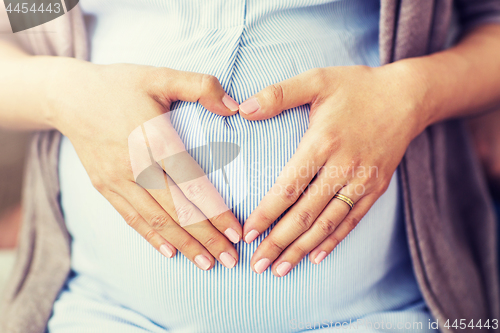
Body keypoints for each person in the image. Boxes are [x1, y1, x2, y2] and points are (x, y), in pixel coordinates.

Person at [1, 1, 500, 332]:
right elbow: (12, 25)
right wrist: (61, 93)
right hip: (104, 314)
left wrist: (411, 94)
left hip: (382, 314)